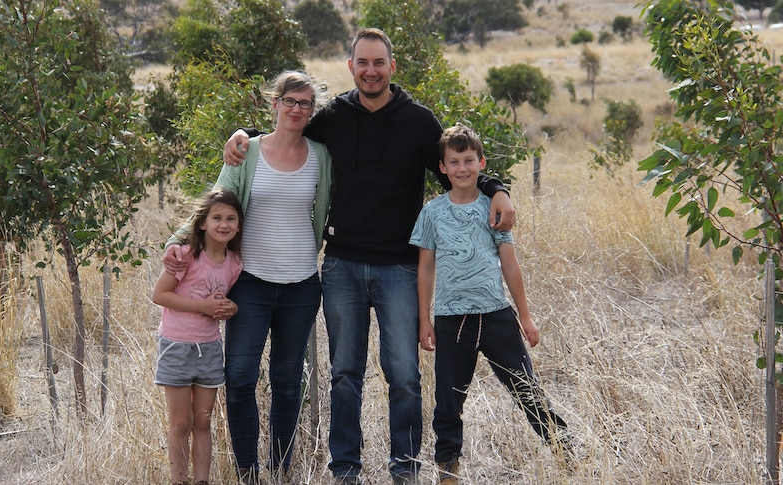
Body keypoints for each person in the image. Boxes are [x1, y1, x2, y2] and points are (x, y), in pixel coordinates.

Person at [222, 28, 517, 485]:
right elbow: (288, 133)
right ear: (351, 66)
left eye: (379, 63)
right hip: (341, 266)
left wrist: (496, 189)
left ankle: (405, 469)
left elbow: (456, 169)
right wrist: (245, 135)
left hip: (400, 266)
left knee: (403, 375)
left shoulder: (418, 121)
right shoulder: (334, 116)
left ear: (392, 67)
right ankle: (345, 470)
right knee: (345, 375)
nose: (371, 71)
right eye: (363, 62)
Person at [164, 71, 332, 485]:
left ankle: (280, 469)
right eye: (289, 101)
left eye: (304, 103)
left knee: (288, 380)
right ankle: (247, 472)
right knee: (240, 379)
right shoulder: (246, 151)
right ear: (273, 103)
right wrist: (178, 240)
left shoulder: (322, 155)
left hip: (301, 285)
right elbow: (215, 203)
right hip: (250, 284)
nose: (296, 109)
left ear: (313, 110)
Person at [409, 125, 571, 484]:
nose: (462, 168)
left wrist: (525, 317)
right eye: (454, 161)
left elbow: (510, 264)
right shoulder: (432, 213)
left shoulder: (494, 208)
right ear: (443, 167)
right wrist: (425, 320)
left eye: (469, 160)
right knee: (448, 401)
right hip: (452, 320)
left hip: (496, 316)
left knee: (527, 391)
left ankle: (567, 452)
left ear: (481, 163)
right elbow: (424, 269)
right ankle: (447, 469)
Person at [152, 189, 244, 485]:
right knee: (181, 422)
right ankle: (179, 480)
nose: (224, 224)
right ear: (202, 222)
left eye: (231, 218)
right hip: (177, 346)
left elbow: (221, 300)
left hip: (210, 349)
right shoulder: (186, 255)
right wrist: (202, 307)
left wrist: (230, 308)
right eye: (216, 217)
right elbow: (160, 295)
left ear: (239, 226)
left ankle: (202, 481)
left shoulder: (234, 263)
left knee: (203, 421)